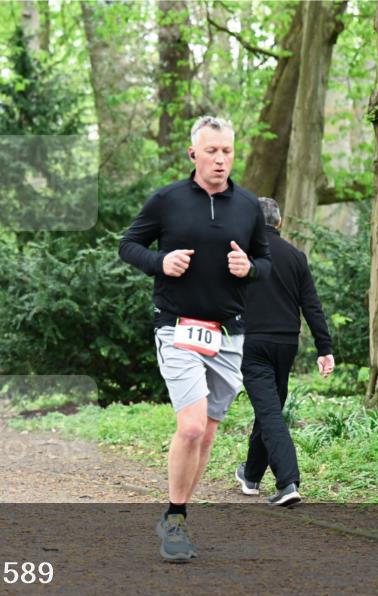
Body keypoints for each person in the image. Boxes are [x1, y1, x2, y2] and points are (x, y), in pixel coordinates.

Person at [118, 116, 271, 561]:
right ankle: (176, 517)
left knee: (205, 437)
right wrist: (160, 262)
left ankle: (178, 513)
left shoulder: (247, 207)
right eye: (211, 151)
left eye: (227, 151)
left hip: (228, 334)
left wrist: (252, 269)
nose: (220, 159)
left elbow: (266, 260)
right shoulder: (166, 200)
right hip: (177, 327)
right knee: (189, 427)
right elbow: (128, 245)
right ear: (193, 155)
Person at [234, 197, 334, 507]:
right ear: (280, 222)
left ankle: (288, 481)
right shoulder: (296, 256)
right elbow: (312, 305)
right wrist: (324, 347)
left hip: (252, 343)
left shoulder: (241, 257)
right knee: (270, 407)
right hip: (286, 344)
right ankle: (250, 475)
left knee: (269, 411)